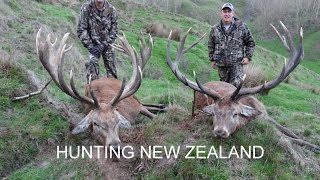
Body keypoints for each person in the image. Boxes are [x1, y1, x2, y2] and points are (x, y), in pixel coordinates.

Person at [208, 3, 255, 87]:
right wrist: (212, 59)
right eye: (224, 12)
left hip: (236, 65)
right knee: (224, 88)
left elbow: (250, 43)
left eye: (229, 12)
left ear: (233, 13)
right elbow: (211, 44)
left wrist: (247, 57)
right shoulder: (215, 29)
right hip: (222, 65)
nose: (227, 14)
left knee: (236, 86)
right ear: (221, 13)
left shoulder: (242, 27)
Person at [77, 0, 118, 81]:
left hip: (107, 45)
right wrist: (90, 46)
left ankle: (113, 91)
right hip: (93, 46)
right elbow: (81, 29)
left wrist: (103, 45)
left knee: (112, 72)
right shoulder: (86, 8)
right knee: (91, 69)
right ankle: (94, 90)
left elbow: (114, 31)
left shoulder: (111, 10)